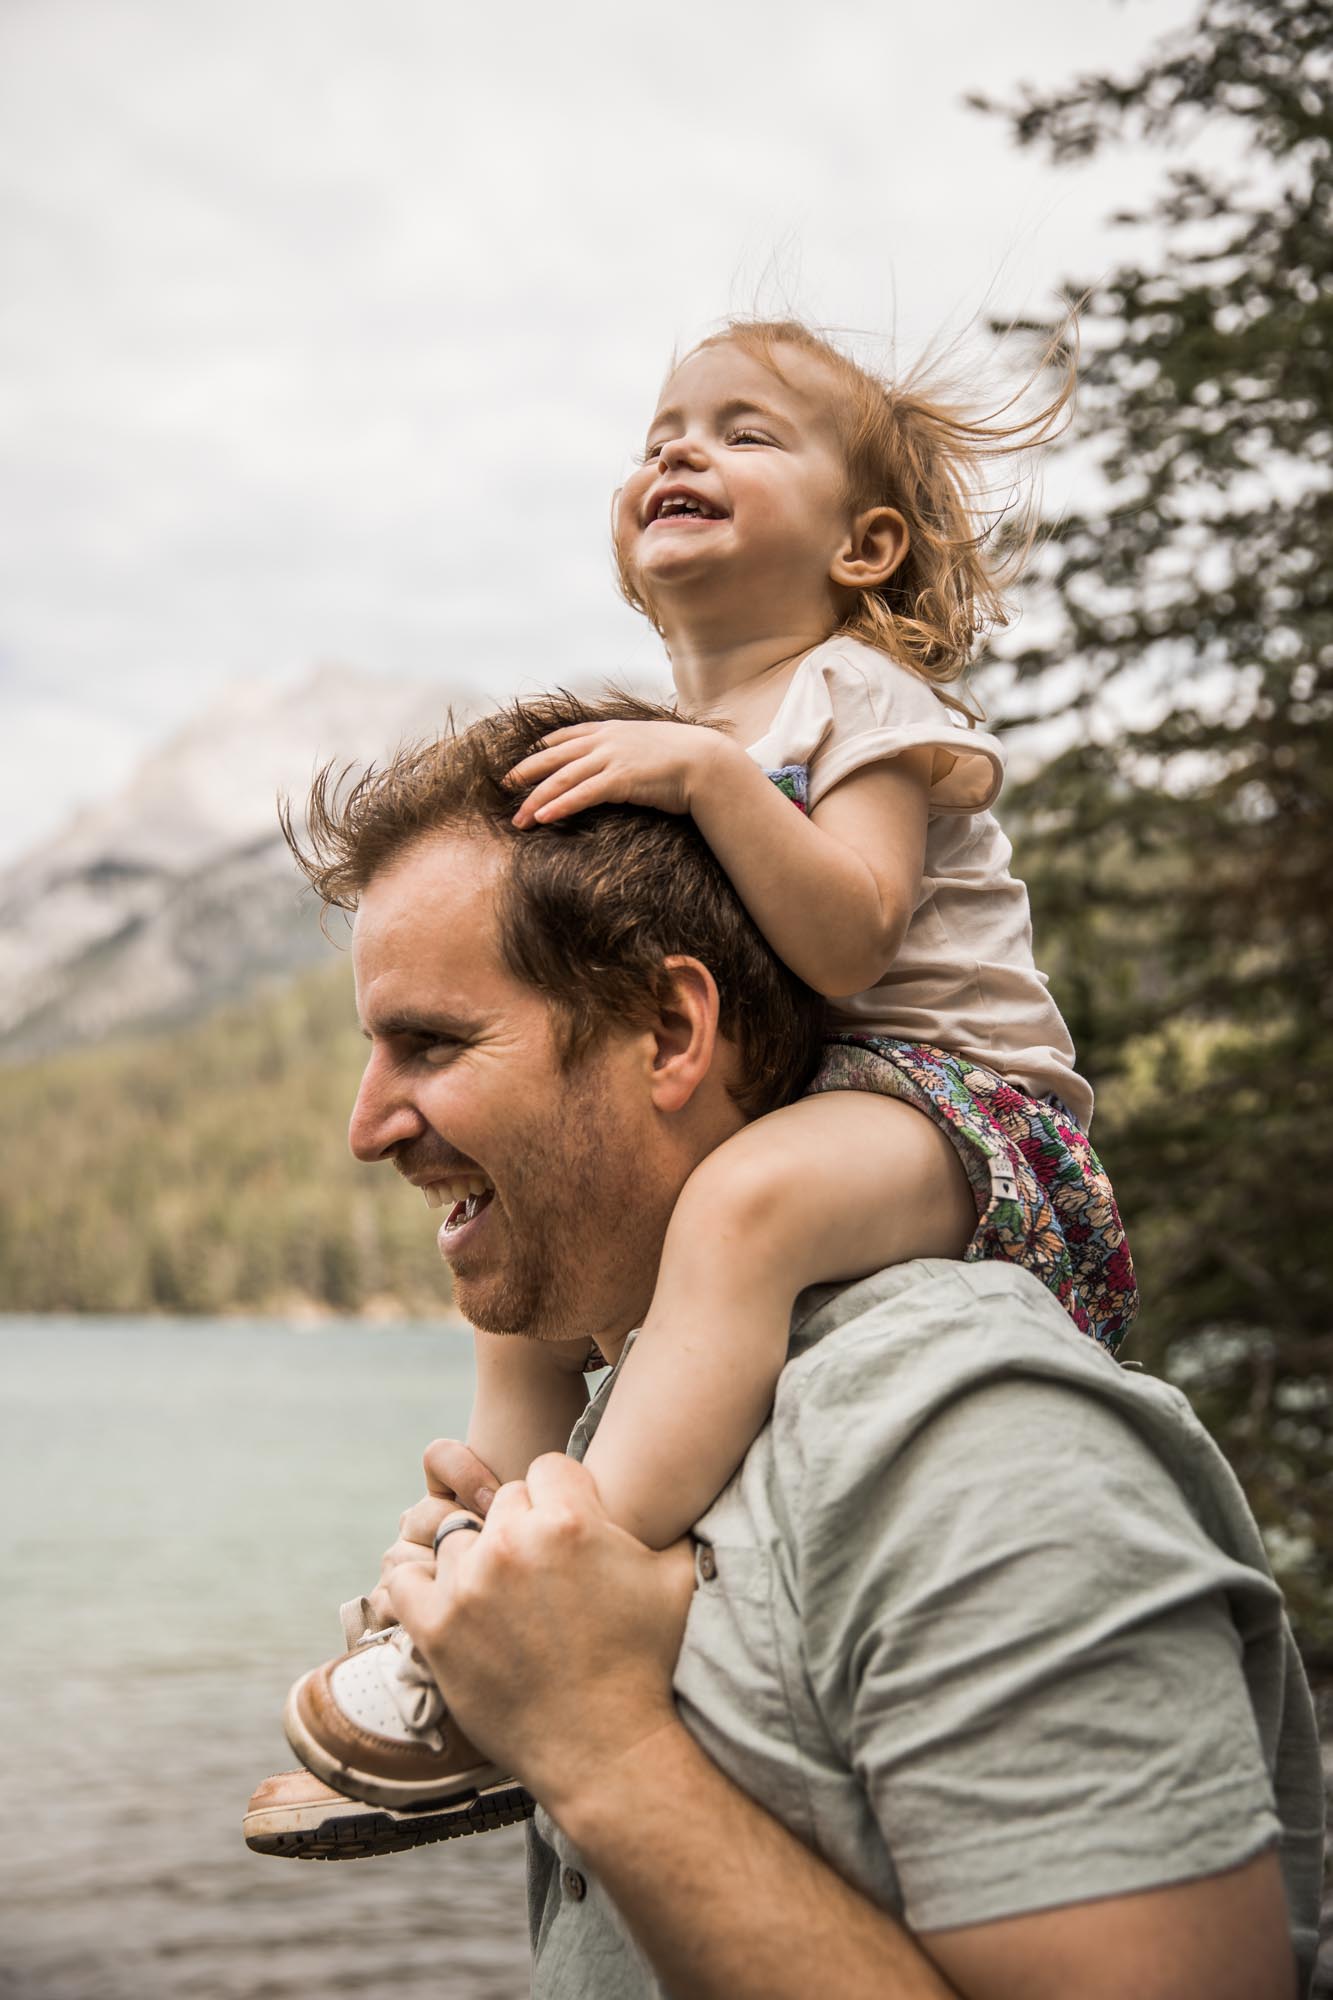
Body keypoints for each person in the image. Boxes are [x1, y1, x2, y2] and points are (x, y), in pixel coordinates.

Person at [245, 696, 1322, 1997]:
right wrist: (515, 1626)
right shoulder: (657, 1407)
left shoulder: (967, 1451)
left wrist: (603, 1747)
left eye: (430, 1043)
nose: (365, 1128)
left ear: (670, 1031)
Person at [279, 319, 1139, 1809]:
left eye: (746, 432)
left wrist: (710, 778)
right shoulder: (683, 729)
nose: (682, 448)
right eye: (662, 433)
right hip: (818, 1095)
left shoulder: (857, 692)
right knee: (529, 1281)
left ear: (865, 546)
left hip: (962, 1104)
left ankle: (577, 1582)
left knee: (741, 1212)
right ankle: (490, 1555)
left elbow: (854, 940)